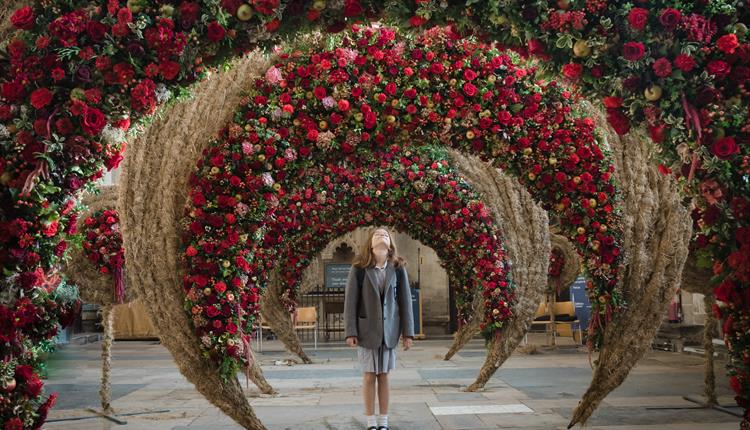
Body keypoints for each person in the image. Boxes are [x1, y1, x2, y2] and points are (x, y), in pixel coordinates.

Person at [344, 227, 415, 430]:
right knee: (369, 376)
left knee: (384, 375)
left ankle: (383, 422)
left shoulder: (398, 268)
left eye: (385, 234)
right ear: (370, 244)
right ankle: (370, 422)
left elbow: (405, 302)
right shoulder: (359, 268)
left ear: (391, 243)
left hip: (389, 331)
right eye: (377, 234)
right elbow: (350, 302)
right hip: (367, 331)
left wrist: (408, 333)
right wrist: (351, 331)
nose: (381, 234)